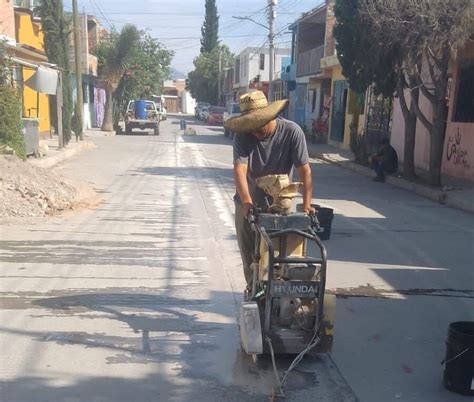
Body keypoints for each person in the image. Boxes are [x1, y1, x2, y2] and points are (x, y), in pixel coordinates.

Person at [224, 90, 315, 290]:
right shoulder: (243, 136)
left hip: (280, 205)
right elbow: (239, 170)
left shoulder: (292, 132)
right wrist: (247, 202)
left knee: (282, 258)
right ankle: (254, 294)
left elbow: (305, 171)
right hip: (248, 204)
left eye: (258, 126)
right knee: (251, 258)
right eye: (251, 127)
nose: (254, 132)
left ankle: (278, 297)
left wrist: (307, 205)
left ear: (270, 116)